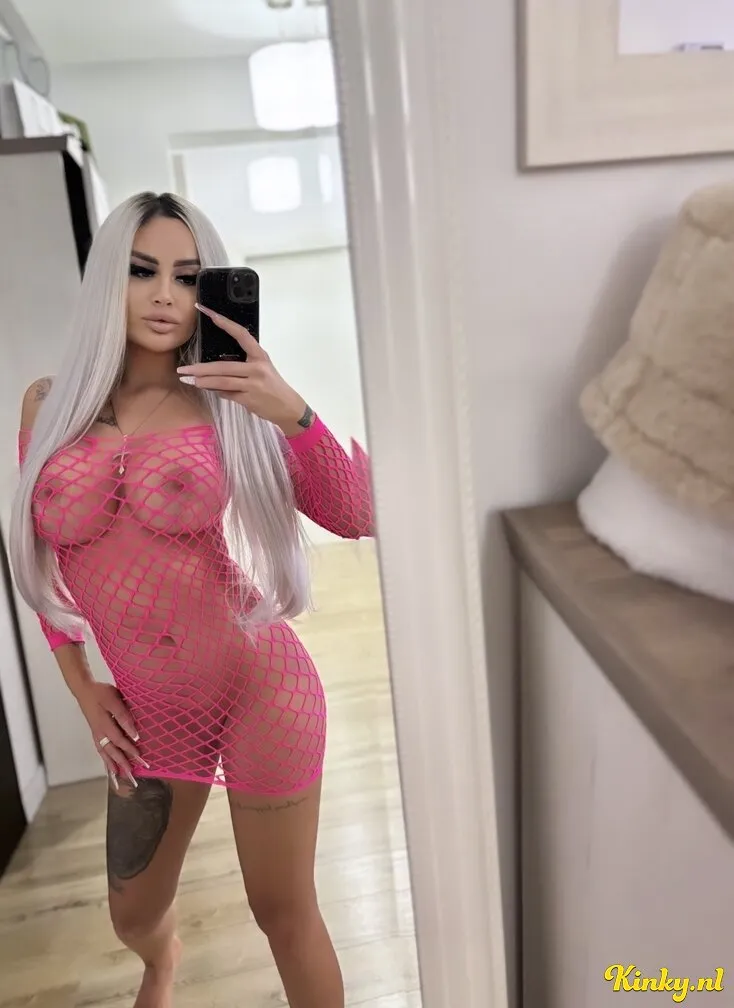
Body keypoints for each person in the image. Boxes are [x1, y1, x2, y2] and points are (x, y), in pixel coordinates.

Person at [10, 191, 373, 1008]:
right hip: (150, 710)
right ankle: (162, 961)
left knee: (283, 911)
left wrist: (292, 411)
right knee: (132, 914)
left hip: (259, 687)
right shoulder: (48, 405)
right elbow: (37, 552)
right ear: (109, 280)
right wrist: (82, 686)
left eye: (187, 275)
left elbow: (356, 514)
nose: (165, 295)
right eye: (143, 272)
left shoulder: (228, 402)